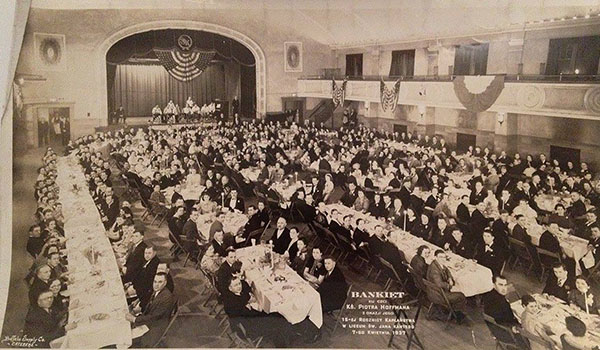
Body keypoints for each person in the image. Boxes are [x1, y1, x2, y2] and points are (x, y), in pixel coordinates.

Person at [126, 273, 176, 348]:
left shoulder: (167, 298)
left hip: (155, 327)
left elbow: (153, 317)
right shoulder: (158, 291)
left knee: (126, 339)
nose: (156, 285)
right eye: (155, 281)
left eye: (160, 282)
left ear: (165, 283)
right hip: (150, 320)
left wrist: (135, 319)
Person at [426, 250, 467, 320]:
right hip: (439, 295)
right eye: (440, 257)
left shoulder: (436, 264)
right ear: (435, 257)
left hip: (434, 291)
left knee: (457, 289)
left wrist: (450, 278)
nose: (442, 259)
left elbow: (446, 270)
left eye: (444, 257)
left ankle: (449, 310)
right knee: (461, 296)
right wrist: (449, 285)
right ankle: (456, 315)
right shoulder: (434, 270)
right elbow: (439, 284)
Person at [132, 246, 161, 310]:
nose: (147, 255)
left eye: (149, 253)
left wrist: (138, 300)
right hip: (140, 292)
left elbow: (149, 287)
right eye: (146, 253)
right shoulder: (146, 261)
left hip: (145, 296)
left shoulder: (154, 265)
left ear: (155, 253)